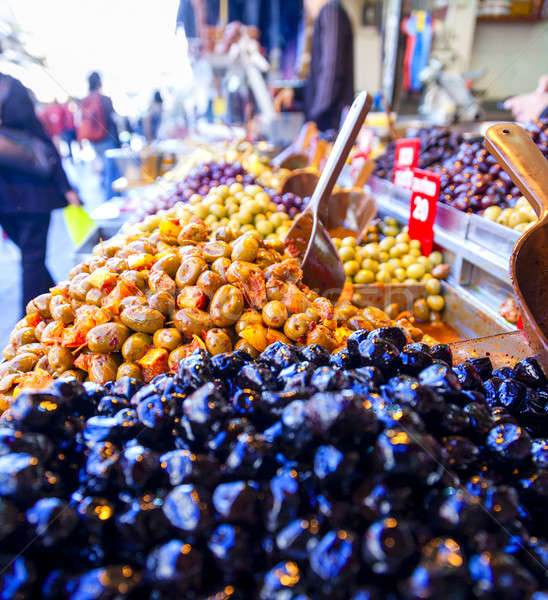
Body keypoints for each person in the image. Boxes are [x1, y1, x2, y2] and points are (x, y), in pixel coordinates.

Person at [0, 72, 81, 316]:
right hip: (31, 196)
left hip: (6, 200)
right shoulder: (10, 86)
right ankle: (30, 322)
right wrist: (67, 188)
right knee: (32, 261)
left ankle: (57, 304)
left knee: (31, 259)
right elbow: (41, 141)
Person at [274, 0, 354, 133]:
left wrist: (315, 119)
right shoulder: (329, 14)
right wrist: (295, 93)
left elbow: (331, 73)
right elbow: (321, 78)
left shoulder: (331, 12)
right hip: (327, 126)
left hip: (329, 128)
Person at [78, 71, 120, 200]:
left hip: (93, 140)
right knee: (111, 171)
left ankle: (108, 195)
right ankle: (111, 199)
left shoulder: (84, 101)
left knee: (104, 168)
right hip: (106, 139)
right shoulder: (104, 99)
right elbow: (112, 120)